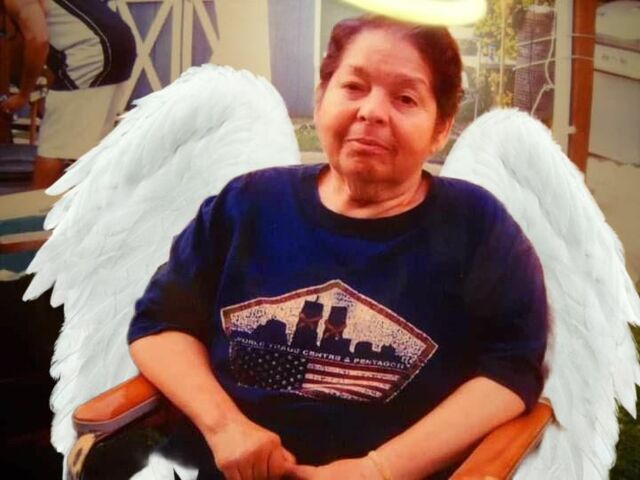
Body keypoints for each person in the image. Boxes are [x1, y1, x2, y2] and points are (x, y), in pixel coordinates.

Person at [128, 15, 548, 480]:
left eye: (405, 98)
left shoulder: (477, 226)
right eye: (353, 87)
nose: (372, 112)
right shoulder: (246, 204)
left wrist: (377, 470)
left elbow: (511, 369)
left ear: (440, 128)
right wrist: (225, 427)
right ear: (320, 98)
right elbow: (159, 324)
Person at [0, 0, 136, 189]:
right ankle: (95, 202)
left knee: (52, 147)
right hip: (119, 44)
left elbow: (38, 40)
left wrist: (24, 95)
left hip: (91, 51)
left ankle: (38, 206)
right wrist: (43, 93)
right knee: (92, 145)